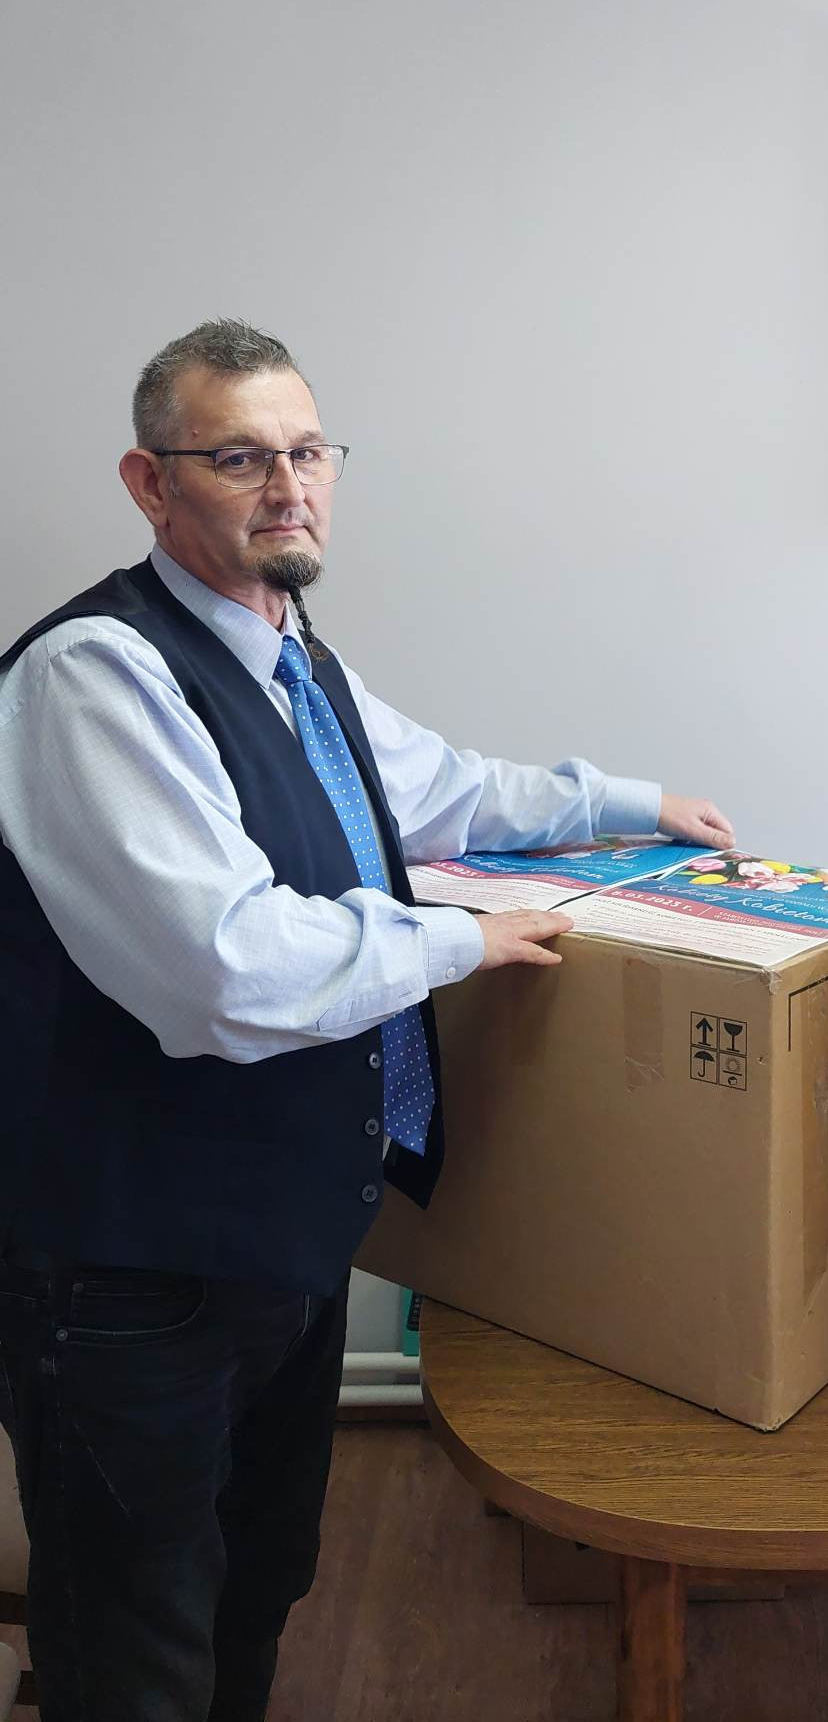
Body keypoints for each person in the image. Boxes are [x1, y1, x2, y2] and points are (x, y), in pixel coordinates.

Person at [0, 319, 735, 1722]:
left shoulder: (293, 657)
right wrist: (458, 940)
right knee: (135, 1646)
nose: (288, 487)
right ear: (150, 485)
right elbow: (221, 967)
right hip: (127, 1278)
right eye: (238, 459)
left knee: (257, 1584)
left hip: (281, 1243)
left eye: (307, 452)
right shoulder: (96, 677)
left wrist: (637, 805)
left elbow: (445, 790)